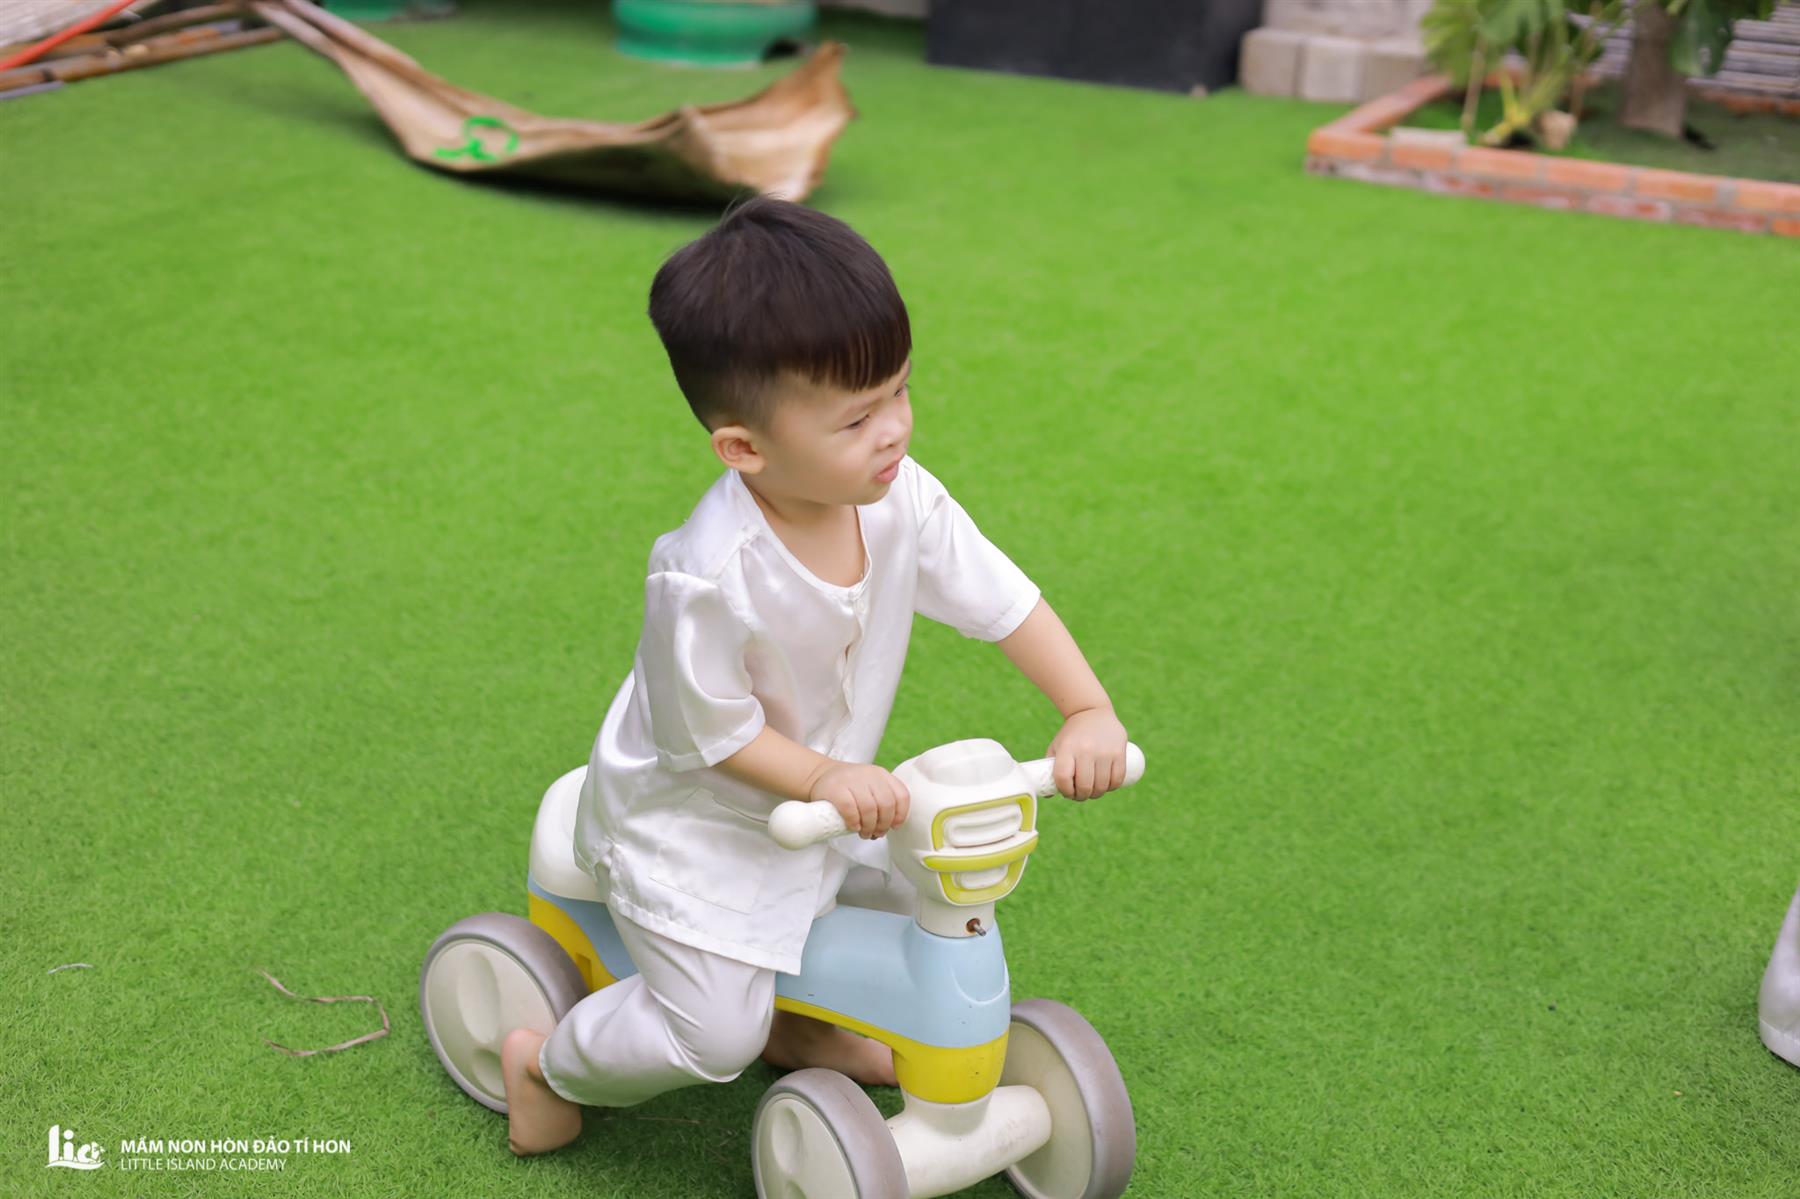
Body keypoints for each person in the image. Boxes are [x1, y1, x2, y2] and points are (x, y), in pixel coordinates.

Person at [500, 196, 1130, 1155]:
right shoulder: (707, 575)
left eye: (900, 392)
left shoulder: (902, 498)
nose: (894, 431)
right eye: (856, 418)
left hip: (818, 805)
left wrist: (1086, 705)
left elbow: (1005, 601)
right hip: (693, 829)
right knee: (714, 1032)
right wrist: (827, 776)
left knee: (910, 887)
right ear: (745, 448)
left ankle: (805, 1028)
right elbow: (710, 737)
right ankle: (545, 1064)